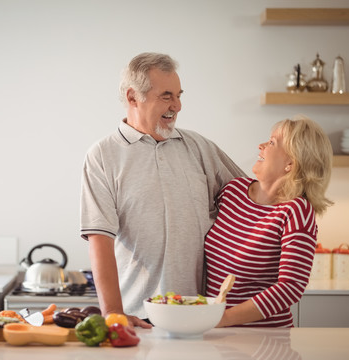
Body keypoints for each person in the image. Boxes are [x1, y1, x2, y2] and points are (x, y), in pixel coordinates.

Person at [79, 52, 245, 328]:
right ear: (133, 97)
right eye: (166, 96)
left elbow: (251, 200)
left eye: (179, 95)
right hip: (139, 315)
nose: (177, 106)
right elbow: (100, 238)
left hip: (200, 313)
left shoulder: (199, 147)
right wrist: (113, 314)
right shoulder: (103, 155)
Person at [205, 115, 333, 327]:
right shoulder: (232, 191)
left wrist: (222, 318)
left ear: (290, 163)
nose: (261, 146)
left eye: (272, 143)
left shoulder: (296, 211)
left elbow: (290, 287)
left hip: (264, 340)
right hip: (216, 332)